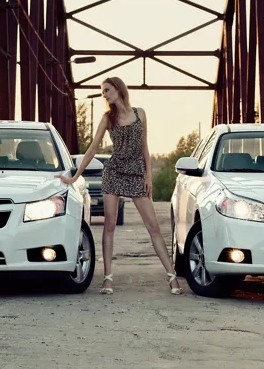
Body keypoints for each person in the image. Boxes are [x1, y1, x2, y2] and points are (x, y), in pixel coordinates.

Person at [56, 77, 182, 295]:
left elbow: (145, 148)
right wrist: (75, 176)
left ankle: (172, 277)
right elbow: (93, 149)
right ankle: (108, 279)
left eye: (107, 90)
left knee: (153, 226)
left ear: (118, 89)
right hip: (113, 173)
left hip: (136, 174)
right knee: (110, 226)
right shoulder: (108, 118)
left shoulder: (139, 113)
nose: (104, 94)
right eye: (102, 91)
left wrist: (148, 177)